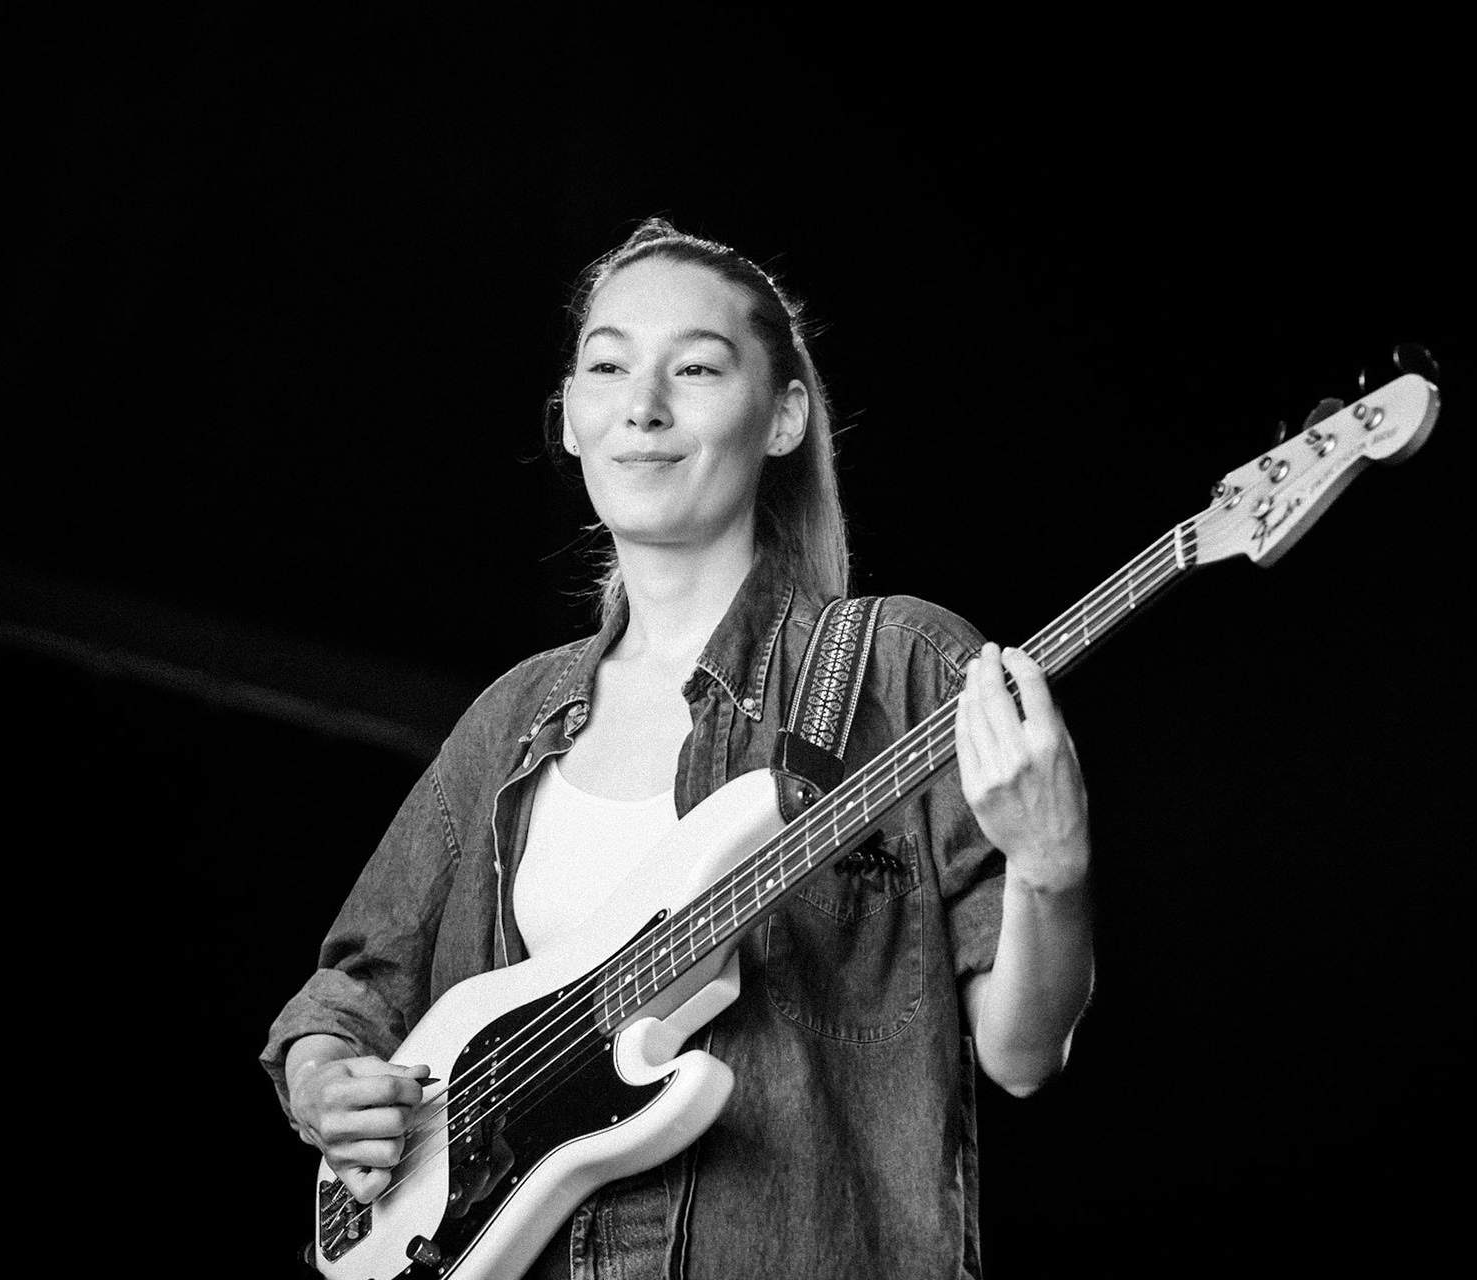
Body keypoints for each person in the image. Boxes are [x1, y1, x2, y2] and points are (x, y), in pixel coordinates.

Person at [262, 218, 1097, 1279]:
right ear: (570, 418)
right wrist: (331, 1082)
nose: (643, 405)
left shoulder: (903, 666)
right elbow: (347, 996)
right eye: (607, 365)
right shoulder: (512, 715)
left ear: (785, 414)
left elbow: (1022, 1052)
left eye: (695, 367)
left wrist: (1052, 869)